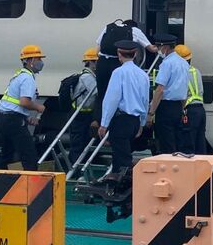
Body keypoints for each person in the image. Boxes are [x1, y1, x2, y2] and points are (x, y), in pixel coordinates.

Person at [96, 40, 149, 197]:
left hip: (121, 120)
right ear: (135, 54)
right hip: (135, 120)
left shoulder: (118, 73)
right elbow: (145, 100)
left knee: (121, 158)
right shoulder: (143, 75)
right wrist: (142, 123)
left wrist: (104, 123)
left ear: (119, 54)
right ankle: (127, 188)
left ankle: (122, 190)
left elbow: (111, 99)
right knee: (125, 153)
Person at [0, 45, 47, 171]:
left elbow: (13, 103)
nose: (41, 62)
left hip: (3, 118)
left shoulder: (19, 75)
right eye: (38, 59)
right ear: (30, 61)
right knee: (29, 156)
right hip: (13, 121)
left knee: (6, 155)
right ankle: (31, 181)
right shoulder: (28, 78)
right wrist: (39, 107)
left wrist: (26, 117)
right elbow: (24, 102)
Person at [93, 18, 156, 109]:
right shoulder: (135, 30)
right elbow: (152, 49)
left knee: (102, 93)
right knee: (119, 93)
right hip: (118, 63)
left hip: (102, 64)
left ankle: (99, 115)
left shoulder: (108, 28)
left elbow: (97, 51)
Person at [147, 33, 189, 154]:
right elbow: (185, 89)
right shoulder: (184, 63)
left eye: (158, 47)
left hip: (165, 107)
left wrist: (151, 113)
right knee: (178, 141)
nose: (158, 50)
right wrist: (182, 108)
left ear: (164, 47)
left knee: (166, 143)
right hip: (178, 107)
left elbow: (160, 89)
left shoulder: (166, 63)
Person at [65, 48, 99, 167]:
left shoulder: (91, 76)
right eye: (95, 61)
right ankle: (75, 168)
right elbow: (98, 92)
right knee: (78, 144)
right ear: (90, 62)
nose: (97, 64)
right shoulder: (87, 77)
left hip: (85, 114)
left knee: (83, 142)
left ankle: (80, 166)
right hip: (80, 115)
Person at [176, 44, 207, 154]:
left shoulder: (181, 73)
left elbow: (181, 94)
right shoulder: (196, 71)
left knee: (188, 145)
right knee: (200, 143)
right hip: (200, 110)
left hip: (189, 111)